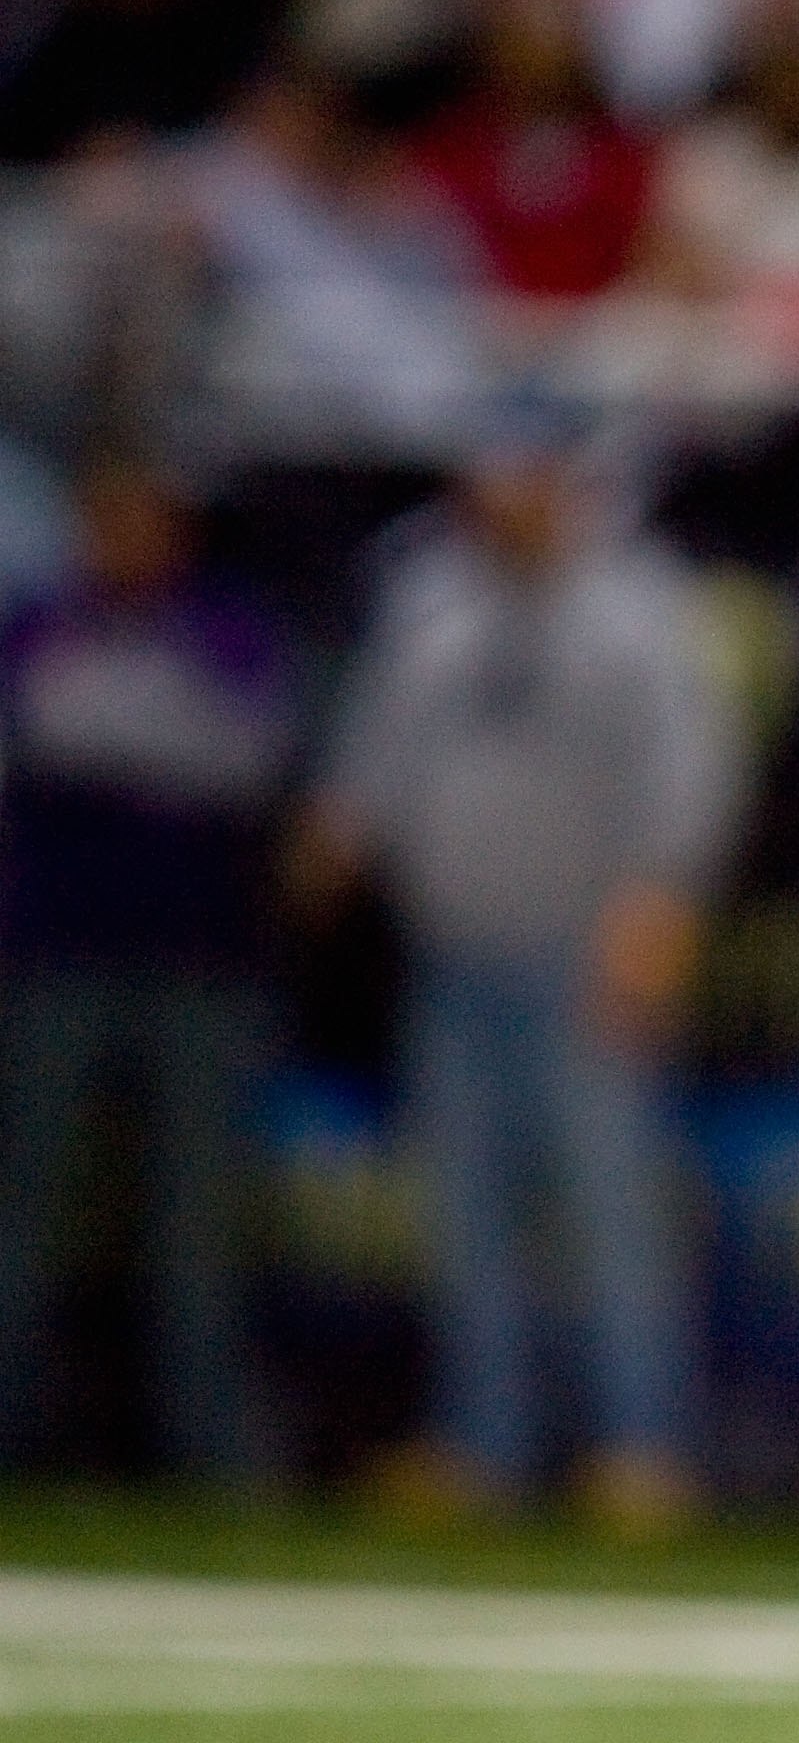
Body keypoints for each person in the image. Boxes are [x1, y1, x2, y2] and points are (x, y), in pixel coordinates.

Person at [293, 415, 743, 1532]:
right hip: (453, 949)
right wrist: (337, 831)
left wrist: (659, 905)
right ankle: (479, 1444)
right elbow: (380, 742)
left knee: (609, 1212)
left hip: (585, 944)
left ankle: (641, 1449)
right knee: (466, 1215)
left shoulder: (637, 602)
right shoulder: (434, 592)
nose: (505, 502)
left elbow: (692, 765)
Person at [0, 452, 294, 1480]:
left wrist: (112, 737)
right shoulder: (41, 619)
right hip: (59, 951)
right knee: (25, 1207)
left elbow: (246, 762)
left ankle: (205, 1452)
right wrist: (154, 739)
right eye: (109, 515)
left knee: (197, 1226)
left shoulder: (226, 623)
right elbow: (36, 732)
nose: (128, 537)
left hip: (199, 957)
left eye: (147, 515)